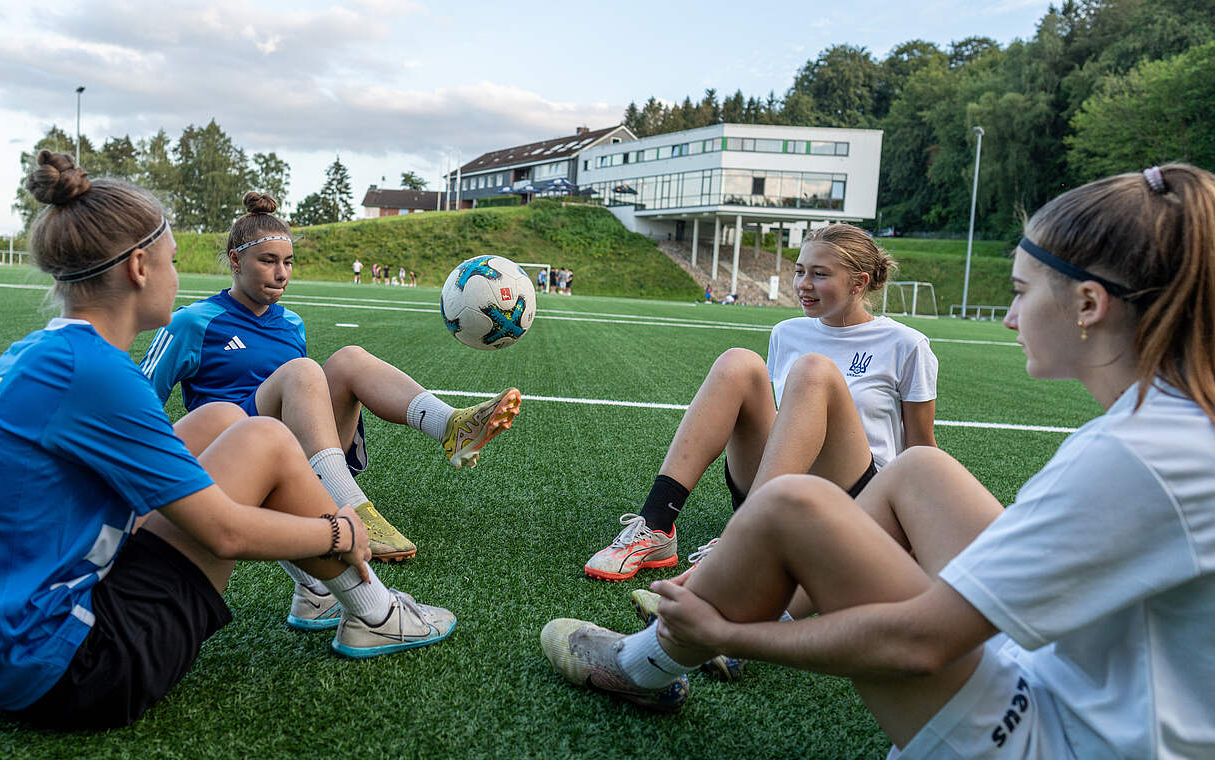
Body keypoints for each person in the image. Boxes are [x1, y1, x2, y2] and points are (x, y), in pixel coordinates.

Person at [542, 164, 1215, 759]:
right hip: (1088, 690)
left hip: (1058, 738)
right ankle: (713, 589)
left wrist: (730, 635)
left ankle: (645, 663)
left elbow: (918, 647)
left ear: (1088, 305)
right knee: (921, 472)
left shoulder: (1131, 453)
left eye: (1019, 291)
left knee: (793, 505)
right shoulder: (1171, 429)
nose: (1011, 317)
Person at [0, 152, 455, 731]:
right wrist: (340, 531)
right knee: (269, 441)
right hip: (71, 671)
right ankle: (374, 612)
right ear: (138, 268)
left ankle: (322, 592)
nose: (179, 278)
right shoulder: (101, 377)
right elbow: (224, 532)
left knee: (220, 418)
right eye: (173, 261)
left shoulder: (40, 353)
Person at [139, 193, 520, 622]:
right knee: (302, 371)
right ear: (235, 261)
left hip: (296, 455)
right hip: (236, 457)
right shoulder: (194, 321)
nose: (282, 273)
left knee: (346, 359)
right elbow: (139, 401)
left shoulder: (290, 324)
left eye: (289, 261)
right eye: (268, 261)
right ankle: (350, 506)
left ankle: (450, 426)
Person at [584, 222, 937, 583]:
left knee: (813, 371)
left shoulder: (905, 344)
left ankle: (744, 543)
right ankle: (657, 525)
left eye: (819, 274)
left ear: (859, 282)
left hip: (857, 501)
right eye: (799, 271)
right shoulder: (787, 332)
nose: (803, 285)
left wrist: (921, 534)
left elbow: (922, 449)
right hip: (781, 493)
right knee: (737, 362)